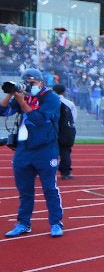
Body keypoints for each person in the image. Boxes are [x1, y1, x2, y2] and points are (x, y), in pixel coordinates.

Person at [1, 68, 65, 237]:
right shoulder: (22, 96)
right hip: (24, 150)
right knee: (24, 190)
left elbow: (41, 120)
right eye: (26, 82)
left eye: (32, 82)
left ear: (41, 83)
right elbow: (2, 111)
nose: (29, 85)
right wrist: (10, 93)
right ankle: (23, 223)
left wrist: (22, 102)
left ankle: (56, 223)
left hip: (45, 149)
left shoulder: (50, 98)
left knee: (49, 188)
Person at [53, 84, 77, 179]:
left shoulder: (48, 102)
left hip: (51, 129)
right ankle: (65, 172)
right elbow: (73, 119)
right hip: (65, 130)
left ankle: (44, 170)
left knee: (47, 150)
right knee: (65, 151)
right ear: (63, 92)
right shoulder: (69, 103)